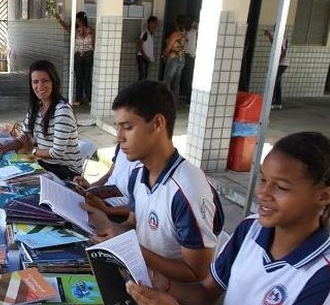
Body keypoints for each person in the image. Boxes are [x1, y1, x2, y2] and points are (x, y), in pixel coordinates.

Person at [126, 131, 330, 305]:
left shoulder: (323, 274)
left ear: (323, 197)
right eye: (263, 180)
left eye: (281, 187)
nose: (264, 194)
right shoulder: (250, 229)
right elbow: (205, 293)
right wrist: (162, 285)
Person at [83, 80, 224, 283]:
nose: (119, 137)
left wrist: (131, 248)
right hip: (139, 276)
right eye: (118, 128)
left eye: (127, 127)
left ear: (158, 123)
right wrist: (108, 226)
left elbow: (196, 274)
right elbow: (132, 223)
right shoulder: (139, 174)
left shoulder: (187, 191)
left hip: (168, 298)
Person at [0, 60, 82, 181]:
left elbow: (57, 153)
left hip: (66, 171)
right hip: (44, 164)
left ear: (54, 82)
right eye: (35, 82)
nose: (40, 87)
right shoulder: (36, 107)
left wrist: (31, 151)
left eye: (45, 81)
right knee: (7, 175)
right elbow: (23, 137)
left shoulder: (62, 111)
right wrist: (1, 149)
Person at [73, 144, 140, 220]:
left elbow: (141, 208)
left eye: (128, 131)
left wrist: (107, 210)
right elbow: (109, 174)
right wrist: (90, 188)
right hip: (101, 202)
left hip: (116, 213)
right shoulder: (122, 145)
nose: (120, 136)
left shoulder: (150, 164)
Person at [56, 11, 95, 106]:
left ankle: (85, 99)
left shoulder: (88, 30)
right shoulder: (80, 30)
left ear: (81, 20)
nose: (77, 21)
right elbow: (66, 28)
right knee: (82, 78)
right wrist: (59, 20)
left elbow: (93, 44)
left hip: (85, 56)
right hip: (82, 56)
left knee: (84, 78)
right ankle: (82, 99)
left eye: (77, 19)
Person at [162, 15, 187, 103]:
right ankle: (174, 103)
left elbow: (169, 47)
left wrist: (164, 55)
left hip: (173, 58)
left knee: (167, 81)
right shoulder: (184, 33)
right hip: (181, 58)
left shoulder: (175, 34)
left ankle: (166, 102)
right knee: (176, 82)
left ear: (177, 23)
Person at [264, 27, 289, 109]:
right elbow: (274, 44)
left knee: (273, 82)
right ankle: (278, 102)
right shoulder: (278, 38)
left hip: (281, 64)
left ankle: (271, 102)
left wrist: (276, 63)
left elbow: (283, 52)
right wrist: (269, 36)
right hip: (279, 64)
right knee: (277, 83)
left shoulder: (283, 38)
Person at [180, 17, 198, 104]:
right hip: (188, 56)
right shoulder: (188, 32)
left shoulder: (192, 32)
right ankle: (188, 98)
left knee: (189, 77)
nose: (196, 25)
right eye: (194, 23)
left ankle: (188, 97)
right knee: (188, 77)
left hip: (191, 56)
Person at [136, 16, 158, 81]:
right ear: (151, 23)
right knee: (142, 76)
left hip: (146, 58)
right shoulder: (145, 33)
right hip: (142, 57)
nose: (157, 25)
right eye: (156, 23)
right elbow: (139, 45)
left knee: (144, 76)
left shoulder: (151, 34)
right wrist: (145, 56)